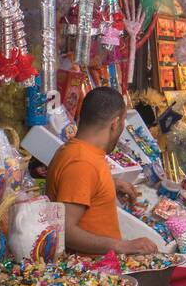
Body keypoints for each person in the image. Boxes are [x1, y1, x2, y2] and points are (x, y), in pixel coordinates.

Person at [47, 87, 157, 256]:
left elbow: (80, 187)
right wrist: (122, 246)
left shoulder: (80, 153)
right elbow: (65, 231)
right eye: (122, 123)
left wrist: (109, 186)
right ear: (115, 123)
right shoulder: (82, 163)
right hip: (89, 274)